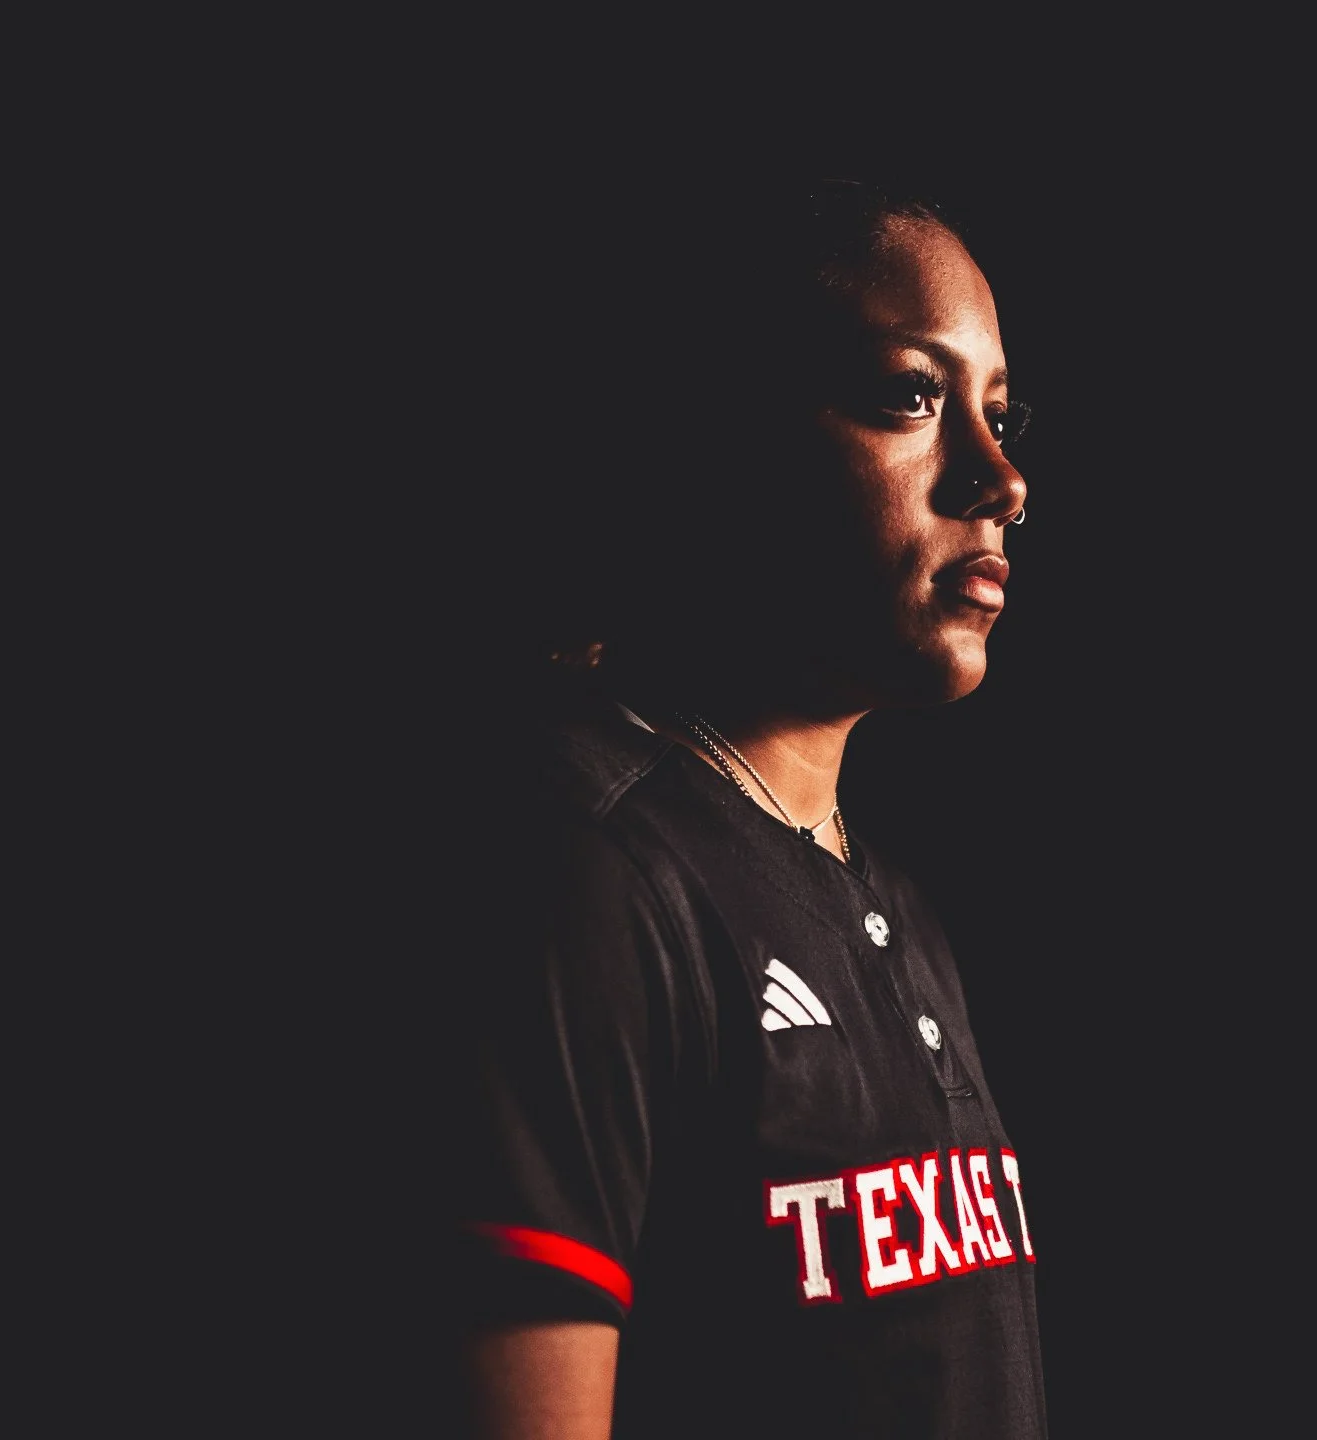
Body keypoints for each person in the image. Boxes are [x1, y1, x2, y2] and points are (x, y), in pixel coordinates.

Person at [439, 180, 1046, 1438]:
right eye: (912, 397)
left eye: (1001, 413)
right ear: (724, 428)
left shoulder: (899, 911)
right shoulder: (587, 875)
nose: (1002, 480)